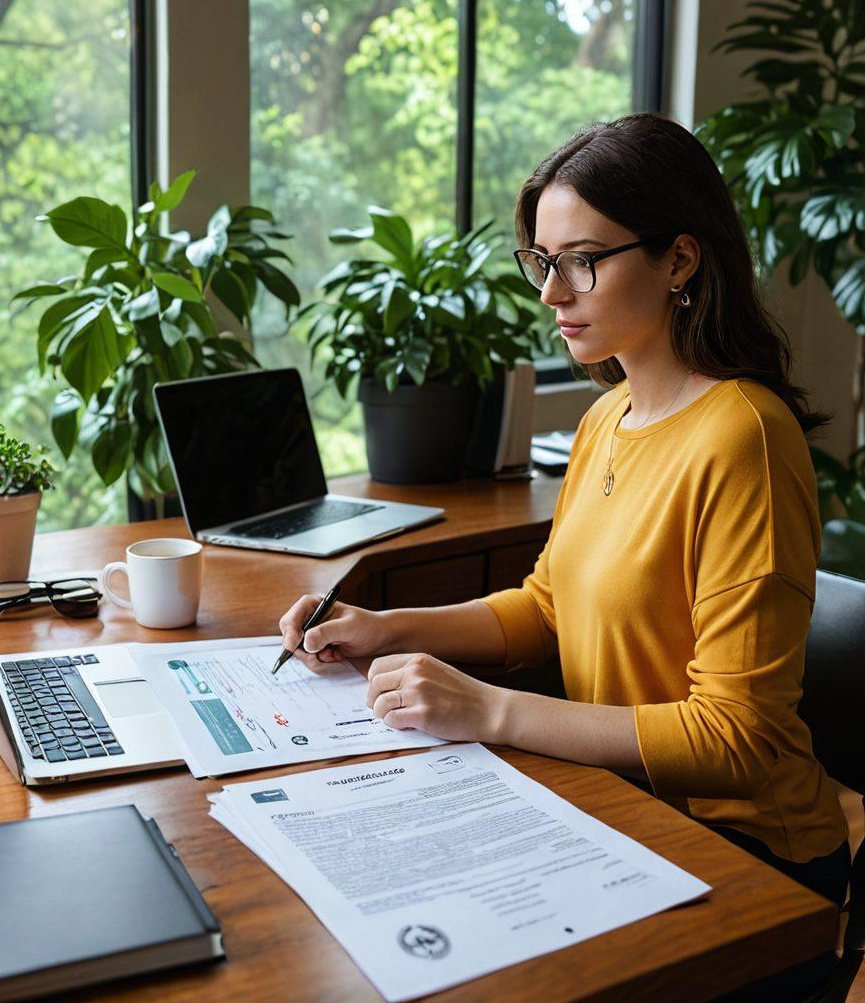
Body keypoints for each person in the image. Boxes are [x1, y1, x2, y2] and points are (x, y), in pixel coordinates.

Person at [278, 113, 850, 1001]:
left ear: (681, 261)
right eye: (542, 262)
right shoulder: (604, 419)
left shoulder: (744, 438)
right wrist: (383, 628)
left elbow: (737, 738)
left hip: (746, 854)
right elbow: (547, 606)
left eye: (582, 260)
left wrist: (491, 712)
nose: (552, 293)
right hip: (621, 810)